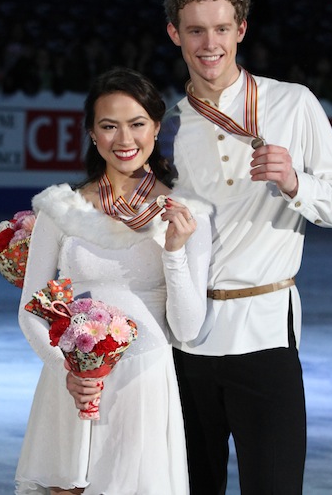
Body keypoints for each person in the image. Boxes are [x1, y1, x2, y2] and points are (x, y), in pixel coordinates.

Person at [160, 0, 332, 495]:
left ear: (241, 31)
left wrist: (296, 181)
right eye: (196, 30)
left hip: (265, 336)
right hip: (183, 342)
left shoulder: (293, 103)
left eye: (222, 29)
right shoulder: (166, 123)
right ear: (174, 33)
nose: (210, 44)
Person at [15, 67, 212, 495]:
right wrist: (68, 371)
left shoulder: (185, 213)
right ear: (91, 133)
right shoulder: (59, 208)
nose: (125, 140)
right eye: (109, 126)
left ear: (156, 128)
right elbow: (31, 308)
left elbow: (188, 328)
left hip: (143, 385)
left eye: (137, 124)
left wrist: (175, 251)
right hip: (72, 382)